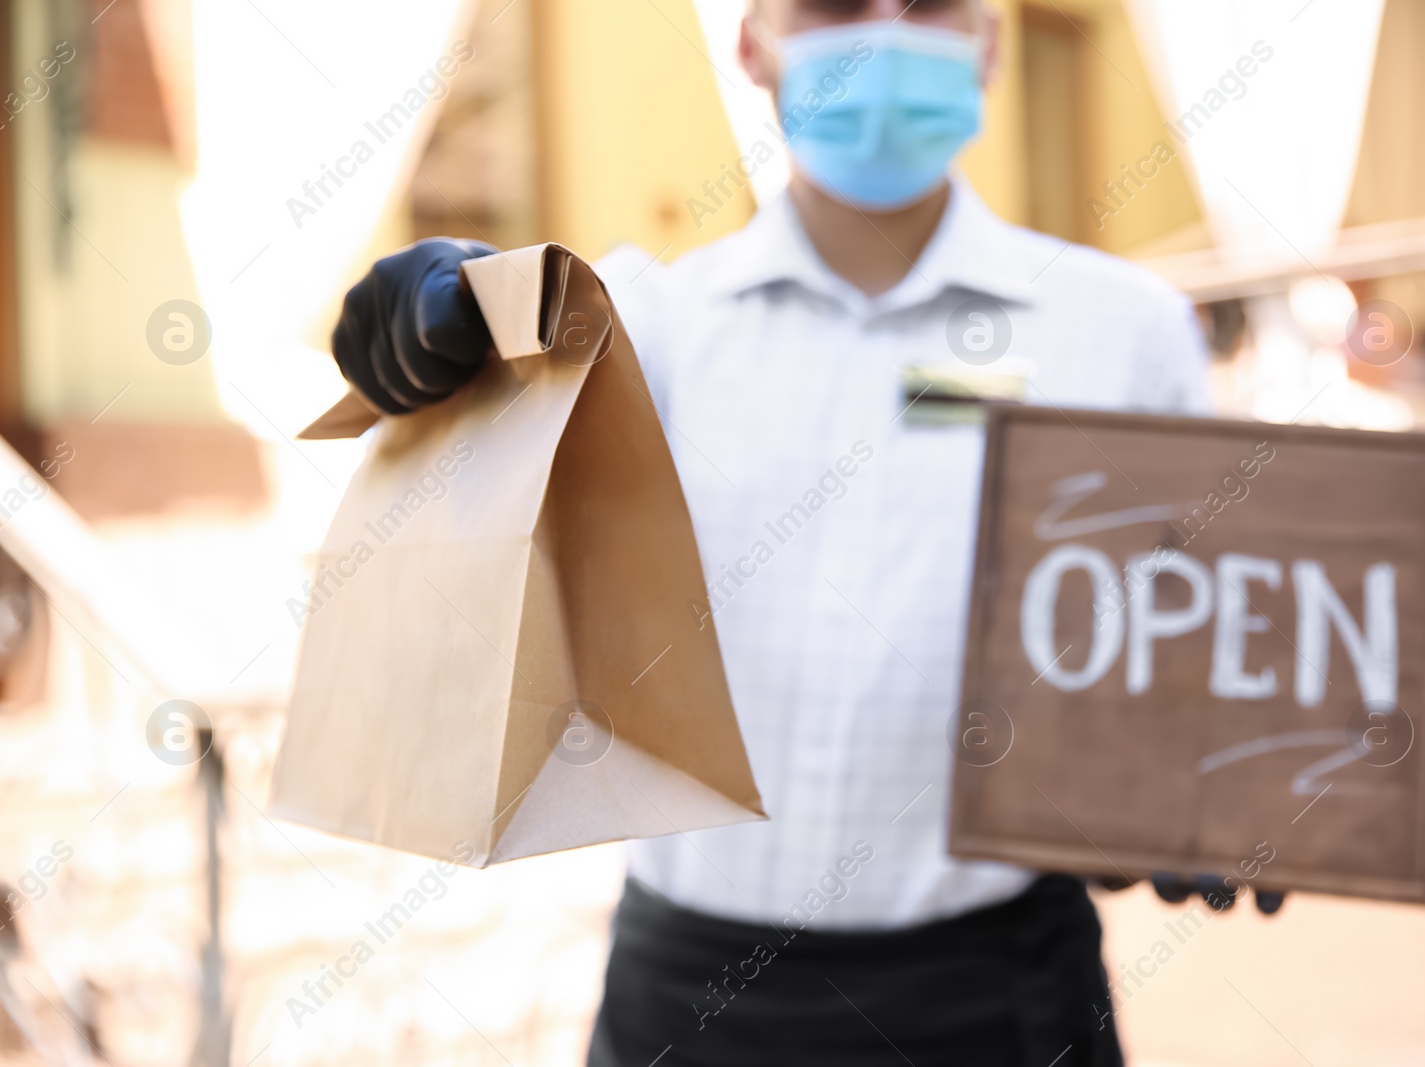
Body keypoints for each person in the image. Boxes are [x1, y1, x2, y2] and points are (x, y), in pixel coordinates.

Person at [330, 1, 1213, 1063]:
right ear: (750, 43)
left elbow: (1195, 646)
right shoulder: (638, 333)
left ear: (989, 41)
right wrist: (454, 333)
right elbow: (463, 538)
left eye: (928, 1)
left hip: (1003, 997)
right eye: (835, 0)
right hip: (692, 1006)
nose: (883, 29)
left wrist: (1198, 793)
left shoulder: (1126, 335)